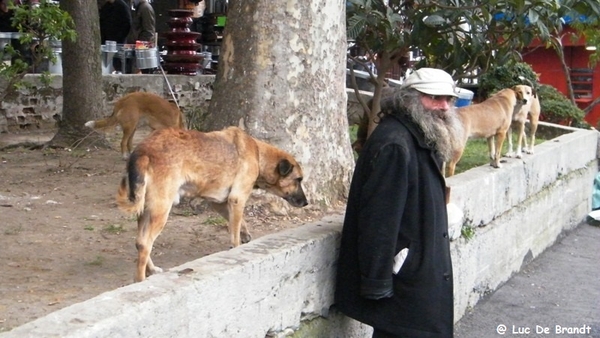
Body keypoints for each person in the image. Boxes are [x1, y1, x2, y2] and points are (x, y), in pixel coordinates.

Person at [334, 67, 463, 338]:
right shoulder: (395, 143)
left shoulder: (419, 135)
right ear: (410, 98)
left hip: (415, 272)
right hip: (403, 278)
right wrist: (376, 283)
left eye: (448, 99)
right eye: (435, 98)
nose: (443, 106)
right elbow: (378, 220)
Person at [99, 0, 132, 73]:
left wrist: (120, 38)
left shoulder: (122, 6)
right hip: (106, 42)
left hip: (118, 41)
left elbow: (127, 23)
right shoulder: (106, 7)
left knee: (118, 64)